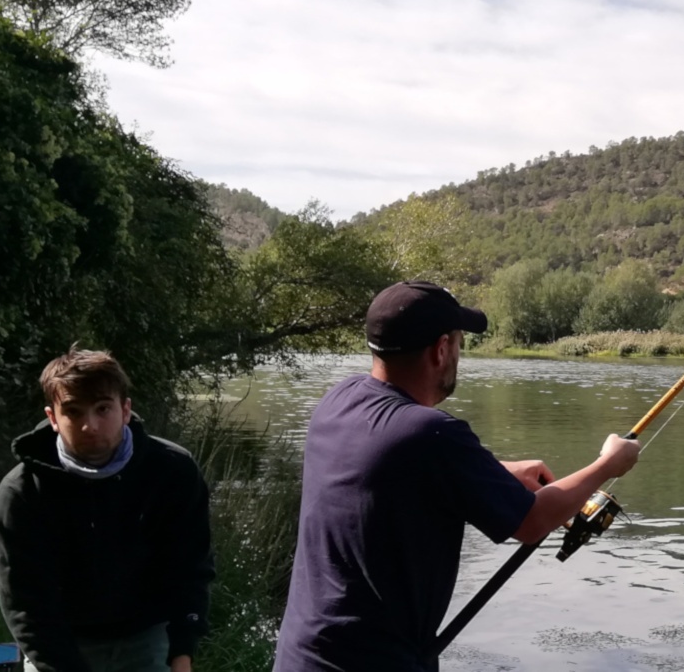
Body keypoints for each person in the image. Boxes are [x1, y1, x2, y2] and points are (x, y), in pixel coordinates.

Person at [273, 280, 641, 672]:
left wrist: (493, 472)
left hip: (303, 655)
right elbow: (531, 522)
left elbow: (384, 468)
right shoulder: (431, 433)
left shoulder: (340, 400)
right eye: (460, 343)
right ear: (441, 349)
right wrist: (608, 464)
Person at [0, 347, 214, 672]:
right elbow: (26, 605)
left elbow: (189, 569)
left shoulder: (173, 471)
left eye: (102, 408)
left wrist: (183, 651)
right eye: (74, 412)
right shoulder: (22, 491)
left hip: (147, 637)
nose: (90, 426)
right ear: (53, 418)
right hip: (59, 644)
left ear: (125, 410)